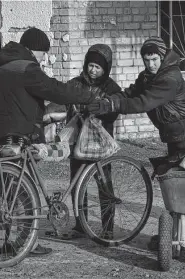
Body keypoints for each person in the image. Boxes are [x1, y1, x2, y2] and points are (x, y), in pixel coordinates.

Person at [0, 27, 101, 255]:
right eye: (43, 52)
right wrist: (88, 96)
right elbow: (55, 90)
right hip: (19, 139)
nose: (44, 57)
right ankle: (26, 243)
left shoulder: (2, 66)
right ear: (32, 49)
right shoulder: (27, 68)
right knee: (25, 192)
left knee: (3, 193)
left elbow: (16, 101)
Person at [86, 37, 185, 249]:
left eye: (154, 59)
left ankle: (178, 240)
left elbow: (143, 102)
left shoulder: (170, 77)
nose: (150, 64)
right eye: (147, 60)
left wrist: (112, 105)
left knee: (180, 187)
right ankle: (175, 237)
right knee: (174, 185)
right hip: (174, 134)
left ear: (163, 56)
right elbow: (132, 92)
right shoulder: (149, 75)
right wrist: (110, 99)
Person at [63, 44, 121, 240]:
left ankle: (108, 228)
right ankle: (80, 225)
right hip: (78, 143)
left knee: (105, 186)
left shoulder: (112, 88)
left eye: (98, 67)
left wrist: (99, 110)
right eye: (90, 65)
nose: (93, 70)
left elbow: (114, 113)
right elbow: (62, 103)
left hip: (99, 144)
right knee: (77, 183)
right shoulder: (75, 84)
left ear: (106, 69)